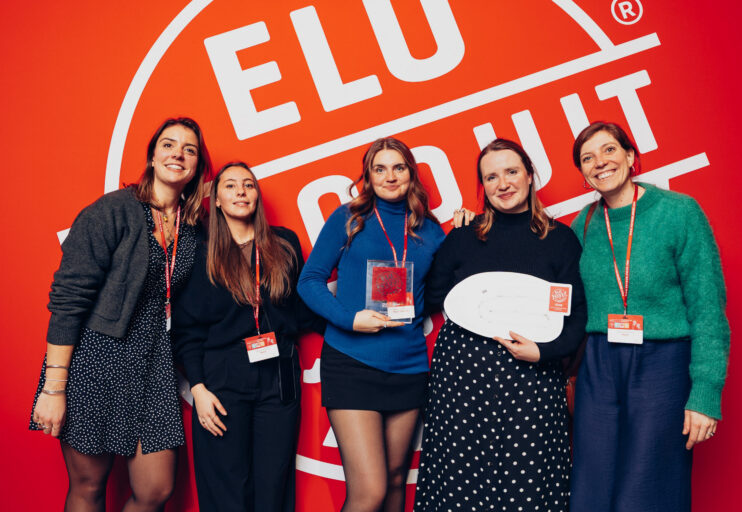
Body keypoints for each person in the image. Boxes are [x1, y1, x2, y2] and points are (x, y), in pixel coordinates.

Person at [29, 117, 211, 511]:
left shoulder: (193, 228)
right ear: (152, 157)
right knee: (89, 486)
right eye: (168, 145)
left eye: (190, 149)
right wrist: (54, 388)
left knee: (156, 489)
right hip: (96, 358)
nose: (178, 154)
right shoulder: (112, 210)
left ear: (197, 166)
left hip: (153, 364)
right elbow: (68, 299)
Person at [413, 138, 587, 512]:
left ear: (529, 175)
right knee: (460, 484)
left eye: (511, 172)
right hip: (463, 384)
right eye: (491, 177)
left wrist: (542, 352)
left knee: (529, 483)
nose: (503, 183)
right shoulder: (463, 238)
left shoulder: (560, 241)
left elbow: (574, 321)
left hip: (533, 381)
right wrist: (437, 239)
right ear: (483, 186)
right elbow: (427, 300)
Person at [568, 121, 730, 512]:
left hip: (662, 364)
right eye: (588, 158)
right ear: (583, 173)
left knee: (649, 487)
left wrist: (705, 394)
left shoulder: (679, 212)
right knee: (592, 488)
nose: (600, 162)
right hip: (599, 366)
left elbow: (708, 307)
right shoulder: (582, 224)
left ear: (630, 156)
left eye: (609, 150)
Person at [298, 137, 449, 512]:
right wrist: (350, 319)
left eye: (398, 167)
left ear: (411, 173)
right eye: (379, 169)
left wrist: (464, 232)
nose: (390, 176)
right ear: (367, 176)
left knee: (397, 481)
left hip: (409, 365)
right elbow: (309, 280)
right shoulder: (348, 218)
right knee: (370, 492)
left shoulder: (431, 231)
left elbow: (438, 291)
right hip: (352, 363)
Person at [172, 162, 323, 512]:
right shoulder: (198, 251)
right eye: (230, 185)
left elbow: (303, 310)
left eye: (248, 185)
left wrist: (354, 317)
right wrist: (198, 389)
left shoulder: (284, 243)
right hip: (222, 378)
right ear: (216, 199)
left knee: (273, 488)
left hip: (279, 377)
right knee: (226, 490)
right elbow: (187, 330)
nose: (241, 191)